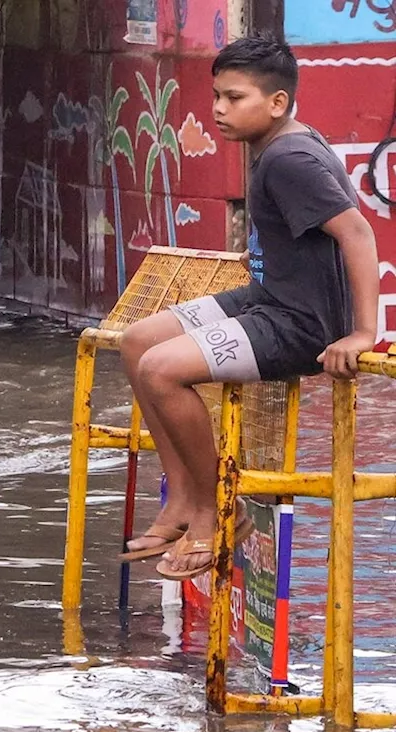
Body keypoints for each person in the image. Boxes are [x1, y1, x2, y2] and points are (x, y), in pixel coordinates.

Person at [120, 33, 378, 580]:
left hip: (298, 324)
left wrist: (361, 333)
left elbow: (357, 232)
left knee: (160, 370)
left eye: (234, 98)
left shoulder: (289, 159)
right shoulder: (281, 141)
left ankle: (218, 509)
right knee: (137, 340)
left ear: (277, 102)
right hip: (265, 296)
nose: (218, 109)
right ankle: (182, 502)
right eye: (216, 95)